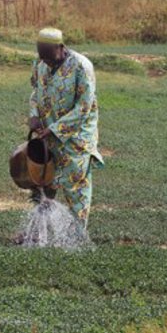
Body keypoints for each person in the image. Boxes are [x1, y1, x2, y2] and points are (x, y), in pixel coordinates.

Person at [28, 28, 104, 229]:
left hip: (75, 138)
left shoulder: (81, 66)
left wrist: (55, 129)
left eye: (48, 55)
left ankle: (77, 235)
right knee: (42, 184)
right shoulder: (39, 63)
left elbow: (84, 107)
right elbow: (35, 91)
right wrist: (34, 115)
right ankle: (36, 231)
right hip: (47, 135)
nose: (45, 61)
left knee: (75, 188)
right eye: (41, 55)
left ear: (60, 48)